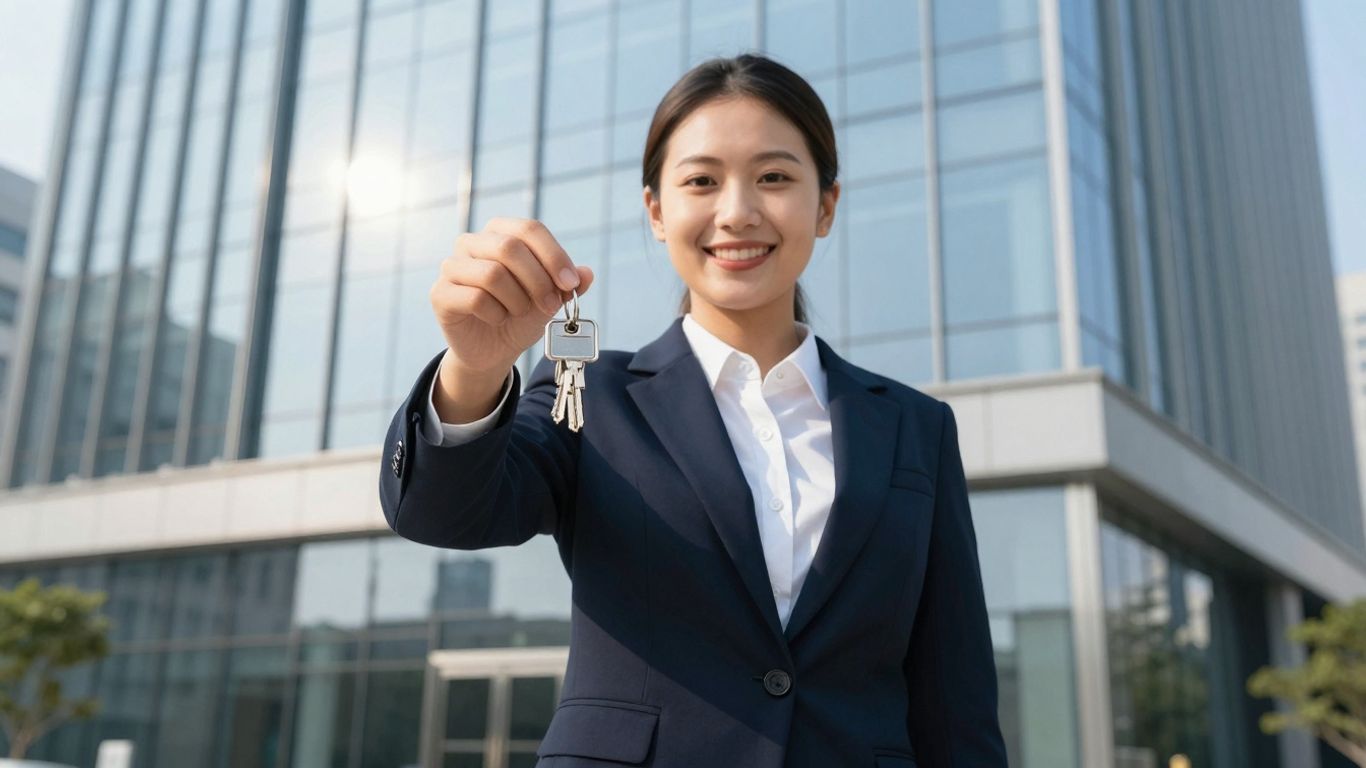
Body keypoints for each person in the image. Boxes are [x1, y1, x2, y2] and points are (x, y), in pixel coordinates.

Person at [379, 53, 1006, 768]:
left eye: (774, 177)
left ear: (826, 205)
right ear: (656, 210)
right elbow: (442, 513)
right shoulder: (594, 395)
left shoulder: (915, 429)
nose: (736, 212)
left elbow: (956, 702)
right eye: (702, 181)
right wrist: (476, 368)